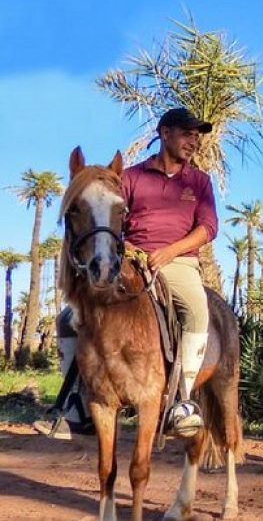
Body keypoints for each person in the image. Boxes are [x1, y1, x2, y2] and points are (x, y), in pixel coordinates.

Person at [34, 107, 218, 439]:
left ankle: (182, 401)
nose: (193, 141)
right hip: (131, 259)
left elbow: (208, 228)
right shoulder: (131, 177)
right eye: (187, 133)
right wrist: (129, 251)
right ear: (165, 134)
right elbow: (111, 215)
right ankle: (75, 404)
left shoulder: (199, 181)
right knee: (66, 320)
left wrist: (169, 251)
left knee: (196, 310)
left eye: (196, 136)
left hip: (178, 261)